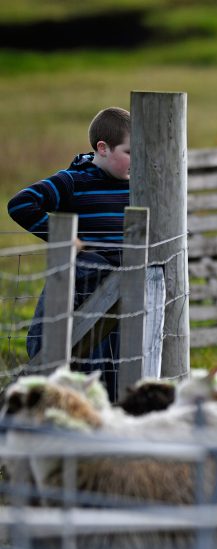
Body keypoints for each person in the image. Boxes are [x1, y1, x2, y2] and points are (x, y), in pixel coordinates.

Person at [8, 106, 131, 401]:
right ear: (102, 148)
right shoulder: (73, 181)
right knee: (80, 353)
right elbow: (21, 204)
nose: (136, 160)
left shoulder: (139, 185)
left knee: (121, 358)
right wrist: (66, 239)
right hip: (84, 286)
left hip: (126, 291)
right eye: (129, 152)